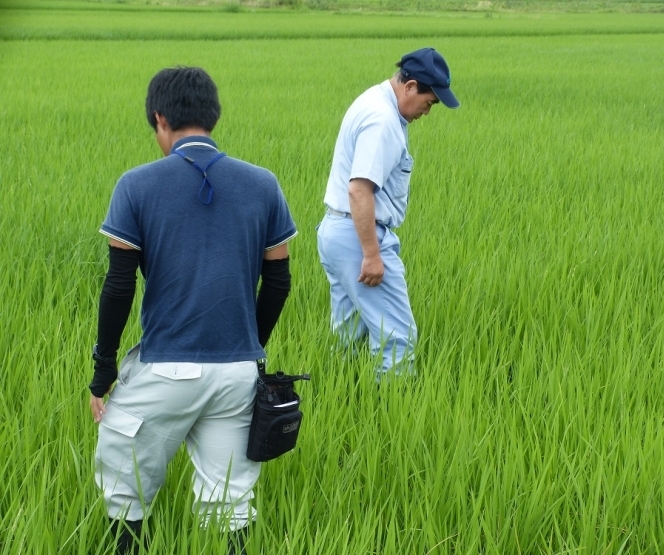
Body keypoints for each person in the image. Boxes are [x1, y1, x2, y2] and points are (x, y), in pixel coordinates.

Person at [88, 66, 297, 554]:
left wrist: (103, 374)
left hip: (166, 370)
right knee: (230, 503)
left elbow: (118, 287)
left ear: (160, 119)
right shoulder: (263, 184)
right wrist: (251, 346)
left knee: (125, 485)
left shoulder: (136, 185)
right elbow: (279, 282)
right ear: (212, 116)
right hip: (238, 375)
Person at [317, 47, 459, 378]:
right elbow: (359, 188)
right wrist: (372, 254)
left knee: (349, 337)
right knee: (398, 338)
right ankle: (392, 414)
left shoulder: (373, 101)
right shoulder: (382, 120)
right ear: (410, 86)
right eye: (430, 101)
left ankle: (346, 403)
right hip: (358, 237)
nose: (428, 110)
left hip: (337, 232)